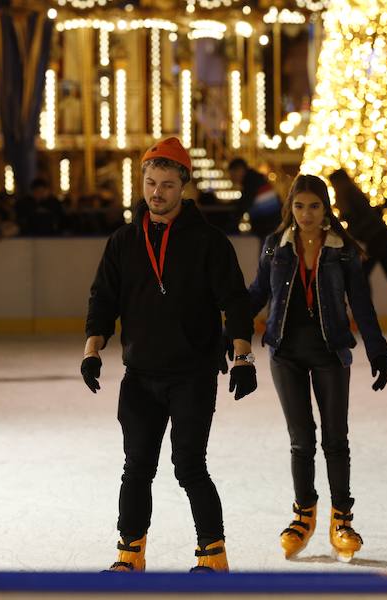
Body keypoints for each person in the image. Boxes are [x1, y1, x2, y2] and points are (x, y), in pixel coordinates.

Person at [82, 137, 257, 572]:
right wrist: (92, 351)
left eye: (166, 184)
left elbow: (233, 300)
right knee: (136, 467)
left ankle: (213, 557)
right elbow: (103, 300)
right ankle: (129, 555)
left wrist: (242, 356)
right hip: (140, 375)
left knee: (189, 465)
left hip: (192, 374)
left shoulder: (209, 242)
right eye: (149, 182)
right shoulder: (124, 241)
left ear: (184, 187)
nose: (156, 192)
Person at [247, 174, 387, 562]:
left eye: (314, 206)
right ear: (289, 209)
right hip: (286, 354)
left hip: (329, 352)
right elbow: (257, 294)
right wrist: (226, 328)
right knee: (301, 440)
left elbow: (361, 304)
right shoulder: (274, 248)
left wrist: (377, 350)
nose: (306, 214)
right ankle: (303, 515)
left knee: (335, 440)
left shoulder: (343, 251)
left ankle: (341, 519)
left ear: (326, 208)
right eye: (299, 206)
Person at [328, 169, 387, 330]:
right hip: (379, 236)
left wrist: (348, 236)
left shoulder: (349, 194)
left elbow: (360, 220)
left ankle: (365, 317)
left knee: (364, 275)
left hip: (377, 238)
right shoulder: (351, 194)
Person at [227, 157, 282, 243]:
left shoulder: (251, 181)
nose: (232, 178)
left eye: (233, 174)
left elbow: (243, 205)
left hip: (267, 225)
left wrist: (230, 226)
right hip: (272, 224)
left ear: (240, 170)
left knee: (267, 252)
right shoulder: (256, 178)